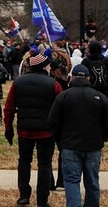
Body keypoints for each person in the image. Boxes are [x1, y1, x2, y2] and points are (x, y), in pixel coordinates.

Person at [4, 51, 63, 207]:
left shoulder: (18, 82)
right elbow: (60, 108)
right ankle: (42, 200)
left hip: (25, 130)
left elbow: (9, 107)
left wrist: (8, 128)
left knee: (24, 161)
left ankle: (24, 195)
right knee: (45, 164)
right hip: (46, 131)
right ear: (43, 67)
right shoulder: (54, 84)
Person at [48, 64, 108, 207]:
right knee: (92, 181)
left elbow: (52, 123)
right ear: (88, 78)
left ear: (72, 77)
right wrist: (102, 139)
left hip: (70, 146)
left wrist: (60, 140)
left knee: (71, 181)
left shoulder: (63, 96)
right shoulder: (100, 97)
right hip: (93, 146)